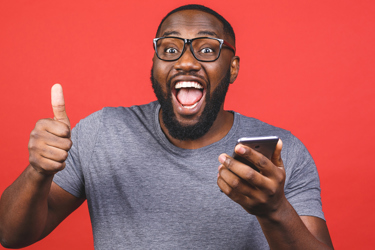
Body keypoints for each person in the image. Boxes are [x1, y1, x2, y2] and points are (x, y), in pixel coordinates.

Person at [0, 4, 333, 249]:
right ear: (155, 64)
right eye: (169, 49)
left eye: (206, 49)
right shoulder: (102, 133)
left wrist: (274, 211)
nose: (185, 61)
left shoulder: (279, 153)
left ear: (232, 69)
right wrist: (38, 173)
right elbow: (10, 235)